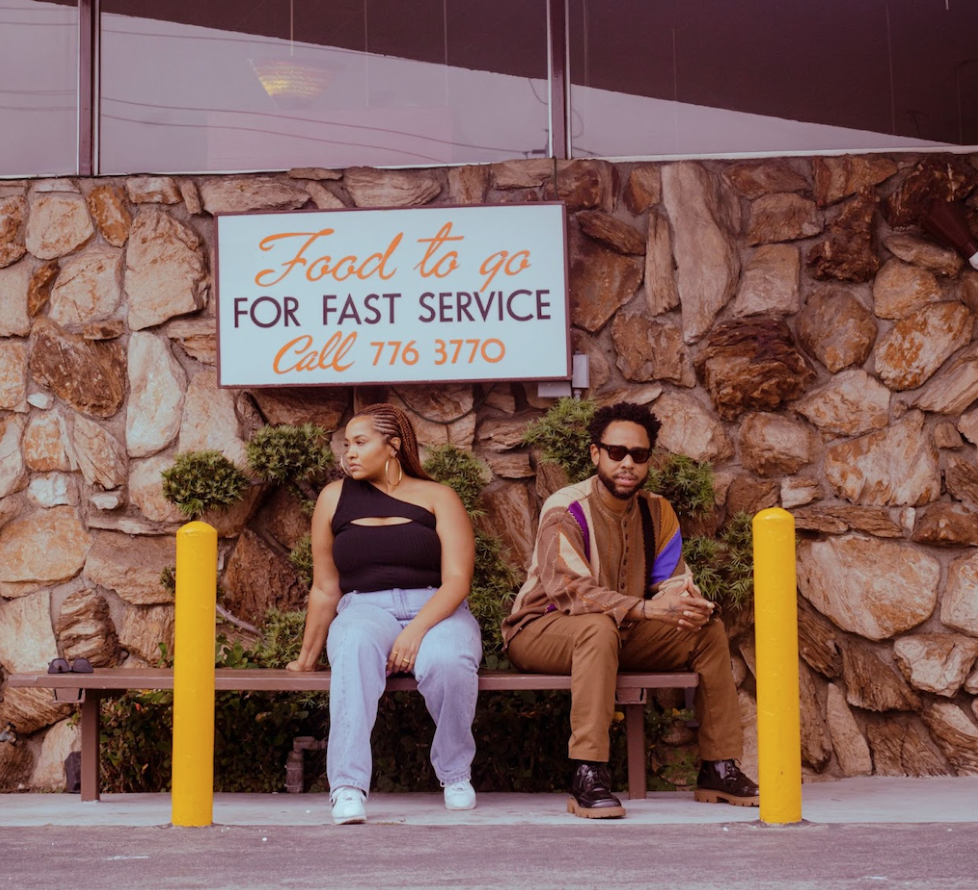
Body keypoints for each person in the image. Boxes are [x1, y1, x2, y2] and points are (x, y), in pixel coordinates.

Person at [502, 401, 758, 818]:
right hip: (541, 628)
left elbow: (672, 580)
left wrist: (688, 605)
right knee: (597, 628)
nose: (627, 464)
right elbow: (573, 592)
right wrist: (649, 610)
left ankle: (718, 767)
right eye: (617, 452)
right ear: (595, 453)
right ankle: (587, 772)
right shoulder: (567, 508)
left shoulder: (657, 511)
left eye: (638, 455)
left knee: (706, 631)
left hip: (618, 633)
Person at [287, 402, 483, 825]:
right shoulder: (333, 498)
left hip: (436, 609)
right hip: (365, 609)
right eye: (346, 445)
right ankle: (347, 787)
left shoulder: (439, 497)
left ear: (392, 446)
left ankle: (455, 775)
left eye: (360, 443)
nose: (349, 453)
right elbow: (325, 587)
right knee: (354, 645)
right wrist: (306, 658)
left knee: (449, 659)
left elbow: (457, 581)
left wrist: (415, 632)